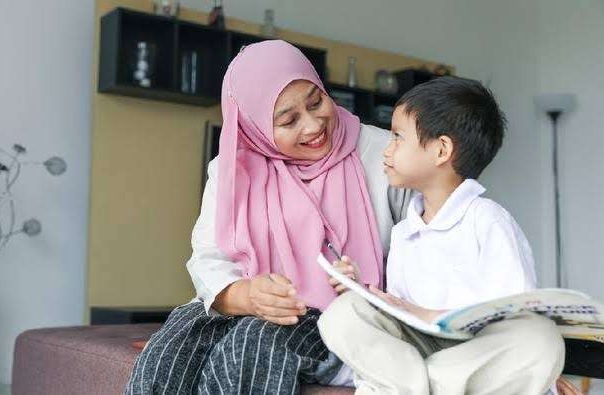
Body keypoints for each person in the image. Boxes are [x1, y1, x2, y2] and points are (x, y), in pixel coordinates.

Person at [124, 39, 409, 394]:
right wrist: (246, 296)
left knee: (258, 337)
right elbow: (208, 259)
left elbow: (421, 252)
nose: (312, 125)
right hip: (254, 301)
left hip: (340, 314)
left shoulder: (386, 153)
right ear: (255, 127)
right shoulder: (232, 168)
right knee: (180, 333)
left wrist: (361, 286)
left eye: (316, 101)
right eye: (288, 120)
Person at [318, 77, 567, 394]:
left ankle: (421, 385)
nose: (386, 150)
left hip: (475, 353)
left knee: (539, 339)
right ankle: (427, 385)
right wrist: (366, 293)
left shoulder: (487, 219)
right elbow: (399, 324)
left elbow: (514, 313)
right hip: (422, 350)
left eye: (397, 137)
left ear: (441, 150)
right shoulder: (404, 232)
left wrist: (428, 315)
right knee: (343, 315)